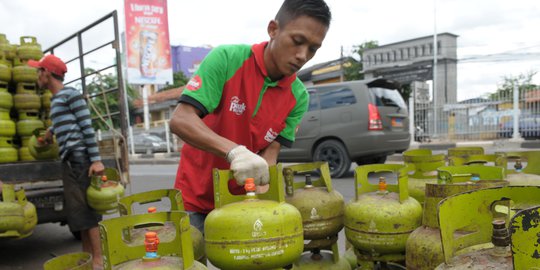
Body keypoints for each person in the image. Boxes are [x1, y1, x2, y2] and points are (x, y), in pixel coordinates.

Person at [169, 0, 331, 233]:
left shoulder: (298, 96)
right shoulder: (227, 59)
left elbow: (271, 154)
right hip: (196, 197)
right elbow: (181, 119)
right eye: (297, 41)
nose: (302, 55)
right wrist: (235, 152)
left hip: (246, 202)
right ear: (273, 29)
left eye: (313, 49)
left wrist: (265, 198)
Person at [28, 54, 105, 269]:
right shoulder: (57, 100)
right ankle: (87, 256)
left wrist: (96, 160)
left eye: (38, 71)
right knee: (79, 213)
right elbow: (65, 123)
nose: (37, 76)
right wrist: (49, 134)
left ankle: (98, 261)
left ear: (46, 73)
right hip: (70, 162)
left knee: (87, 213)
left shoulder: (71, 95)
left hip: (80, 161)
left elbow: (86, 127)